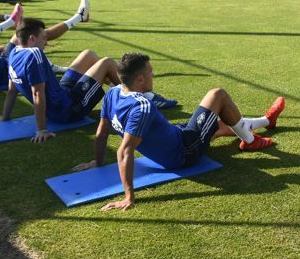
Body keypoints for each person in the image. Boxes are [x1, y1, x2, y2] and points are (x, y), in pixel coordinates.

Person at [76, 52, 285, 211]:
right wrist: (129, 197)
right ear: (140, 79)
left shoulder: (113, 93)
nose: (153, 74)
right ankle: (250, 141)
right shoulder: (141, 107)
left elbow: (102, 133)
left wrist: (98, 162)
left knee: (217, 125)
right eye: (150, 71)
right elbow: (124, 151)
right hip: (184, 151)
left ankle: (267, 120)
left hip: (175, 135)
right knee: (217, 95)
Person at [0, 18, 119, 142]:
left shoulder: (14, 53)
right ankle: (133, 96)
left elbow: (12, 90)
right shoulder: (34, 54)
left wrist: (4, 117)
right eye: (44, 38)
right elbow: (37, 94)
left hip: (61, 93)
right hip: (67, 109)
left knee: (88, 55)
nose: (46, 42)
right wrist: (42, 130)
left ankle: (110, 79)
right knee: (107, 63)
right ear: (32, 39)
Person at [0, 0, 93, 106]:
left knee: (21, 33)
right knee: (41, 35)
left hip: (2, 61)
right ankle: (79, 16)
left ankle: (14, 22)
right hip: (4, 70)